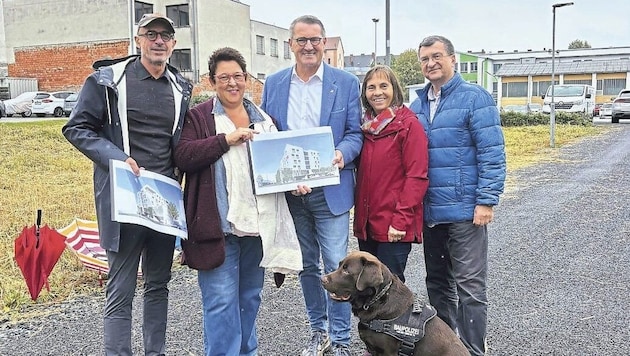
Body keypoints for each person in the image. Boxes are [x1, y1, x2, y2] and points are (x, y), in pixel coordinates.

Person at [62, 13, 192, 356]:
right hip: (124, 200)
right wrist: (116, 157)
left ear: (174, 44)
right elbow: (77, 128)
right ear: (138, 39)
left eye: (166, 35)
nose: (159, 40)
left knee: (158, 285)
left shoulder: (180, 87)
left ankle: (156, 352)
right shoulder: (108, 80)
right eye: (151, 34)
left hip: (163, 202)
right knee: (120, 289)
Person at [173, 47, 301, 356]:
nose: (232, 83)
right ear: (212, 81)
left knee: (249, 299)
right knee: (220, 303)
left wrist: (293, 184)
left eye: (238, 76)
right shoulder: (199, 117)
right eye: (224, 77)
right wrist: (225, 140)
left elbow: (277, 167)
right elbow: (183, 156)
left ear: (247, 79)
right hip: (218, 228)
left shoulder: (264, 120)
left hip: (256, 230)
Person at [261, 15, 363, 356]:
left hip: (330, 190)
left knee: (337, 265)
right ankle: (318, 333)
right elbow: (268, 136)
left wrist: (339, 153)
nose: (308, 46)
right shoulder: (273, 84)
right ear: (290, 44)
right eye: (301, 40)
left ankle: (341, 340)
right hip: (292, 194)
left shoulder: (345, 83)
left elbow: (355, 134)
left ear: (325, 43)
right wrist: (284, 177)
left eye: (315, 40)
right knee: (306, 266)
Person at [409, 35, 506, 356]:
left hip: (466, 211)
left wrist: (486, 199)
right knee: (437, 285)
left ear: (452, 59)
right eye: (424, 59)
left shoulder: (474, 98)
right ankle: (447, 348)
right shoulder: (418, 104)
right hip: (431, 211)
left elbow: (492, 151)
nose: (430, 63)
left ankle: (474, 350)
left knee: (470, 288)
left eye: (437, 56)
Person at [353, 65, 429, 283]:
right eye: (371, 87)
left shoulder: (408, 125)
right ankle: (371, 320)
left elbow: (417, 176)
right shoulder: (366, 128)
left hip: (394, 224)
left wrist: (400, 220)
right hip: (368, 224)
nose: (377, 92)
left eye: (383, 86)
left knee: (389, 288)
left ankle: (395, 319)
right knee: (367, 287)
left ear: (394, 89)